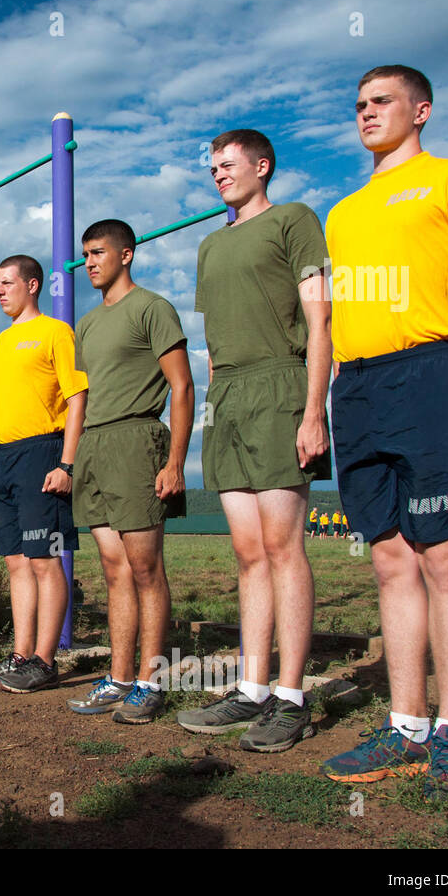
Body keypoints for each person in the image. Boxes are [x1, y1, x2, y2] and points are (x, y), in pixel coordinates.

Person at [320, 65, 448, 797]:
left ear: (422, 109)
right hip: (360, 386)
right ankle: (404, 726)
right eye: (359, 105)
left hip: (433, 374)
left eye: (381, 102)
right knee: (389, 561)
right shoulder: (342, 213)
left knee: (442, 558)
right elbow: (330, 319)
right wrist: (323, 402)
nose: (367, 112)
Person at [177, 128, 331, 752]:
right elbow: (211, 346)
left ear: (262, 166)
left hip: (281, 386)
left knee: (281, 544)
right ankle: (253, 687)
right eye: (212, 167)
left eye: (229, 164)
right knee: (247, 552)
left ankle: (291, 698)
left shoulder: (294, 220)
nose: (219, 174)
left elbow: (321, 317)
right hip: (229, 398)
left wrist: (313, 409)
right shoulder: (210, 246)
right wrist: (212, 412)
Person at [66, 220, 193, 724]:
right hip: (96, 446)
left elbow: (181, 387)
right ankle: (118, 678)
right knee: (114, 569)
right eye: (85, 256)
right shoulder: (88, 323)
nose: (90, 263)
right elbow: (84, 396)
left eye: (98, 253)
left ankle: (150, 681)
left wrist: (176, 460)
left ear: (127, 254)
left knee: (145, 569)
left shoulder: (153, 307)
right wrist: (73, 459)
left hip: (138, 440)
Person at [0, 255, 87, 693]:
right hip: (5, 456)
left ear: (33, 285)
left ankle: (45, 659)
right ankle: (21, 656)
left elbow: (78, 398)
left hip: (44, 451)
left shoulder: (57, 332)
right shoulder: (1, 341)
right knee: (17, 561)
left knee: (44, 559)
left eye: (7, 283)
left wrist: (66, 463)